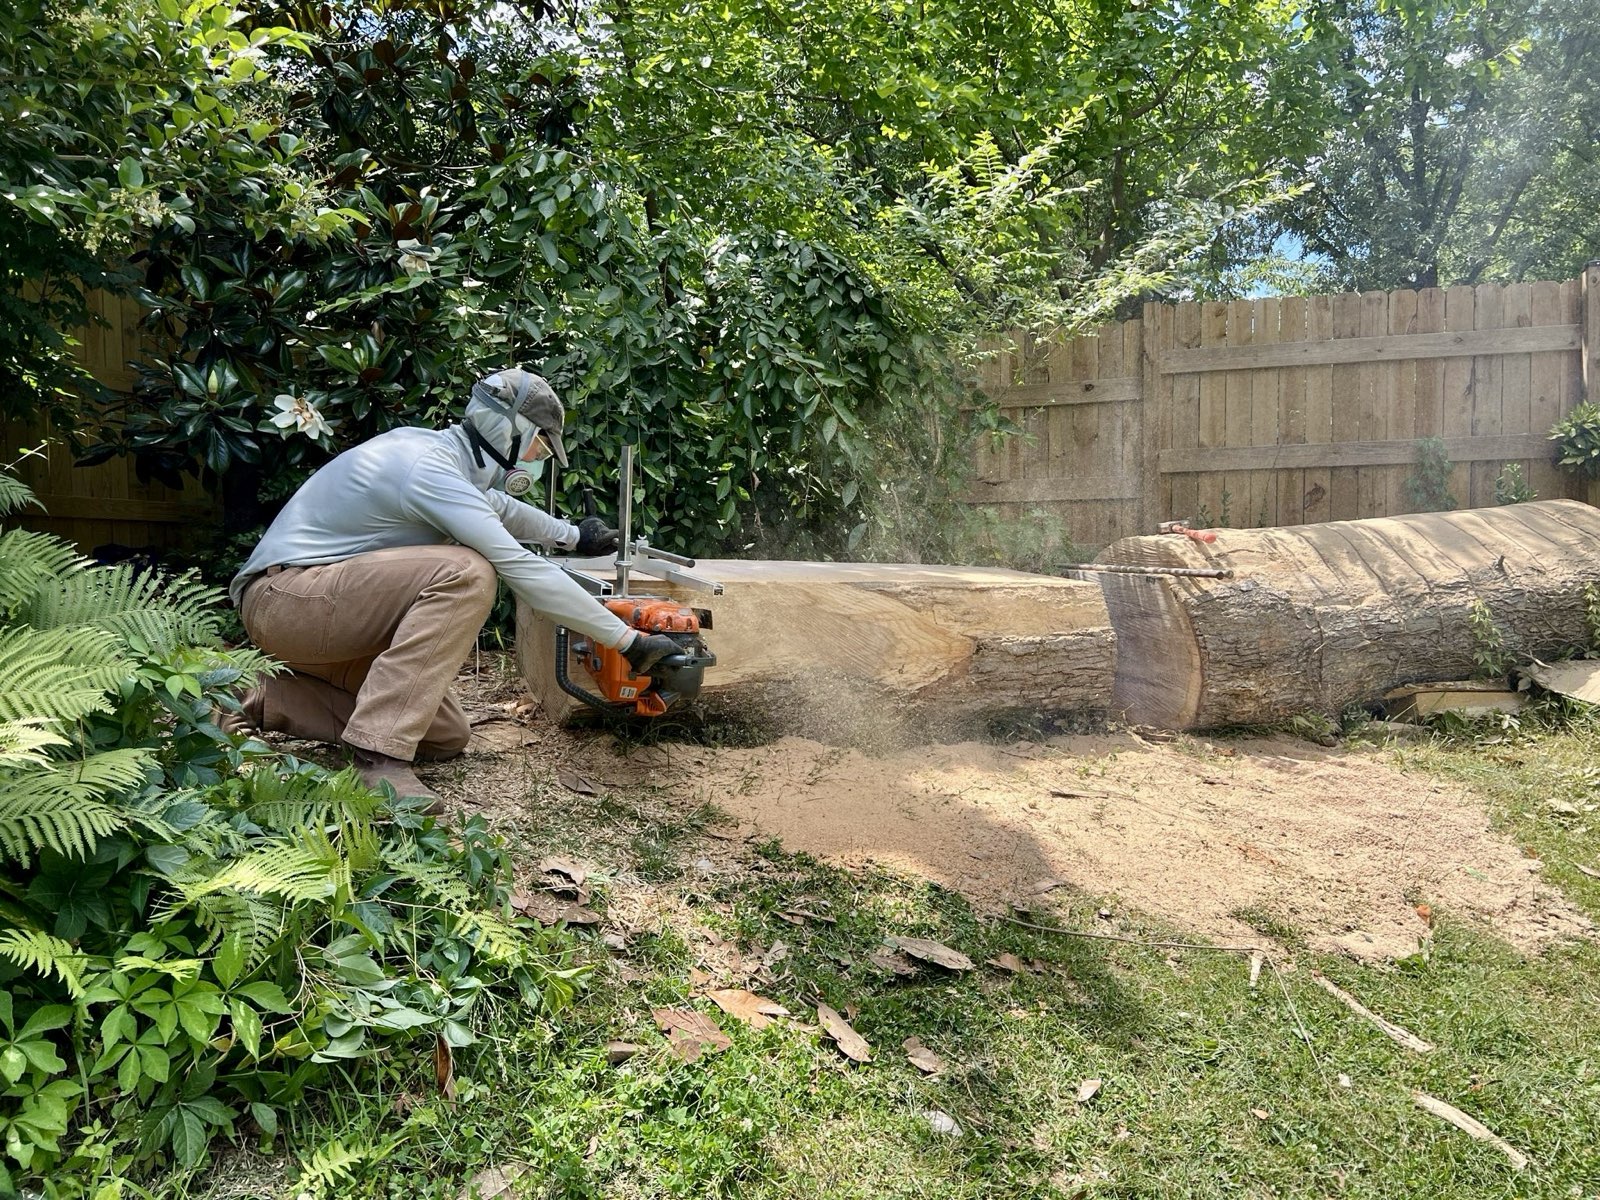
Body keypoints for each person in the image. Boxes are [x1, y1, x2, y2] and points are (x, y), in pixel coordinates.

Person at [224, 368, 680, 812]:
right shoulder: (428, 467)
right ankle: (379, 758)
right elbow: (517, 565)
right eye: (539, 443)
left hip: (330, 610)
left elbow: (499, 507)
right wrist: (627, 641)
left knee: (444, 734)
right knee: (468, 572)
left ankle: (259, 696)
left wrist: (574, 536)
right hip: (285, 601)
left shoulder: (446, 456)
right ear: (507, 429)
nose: (538, 458)